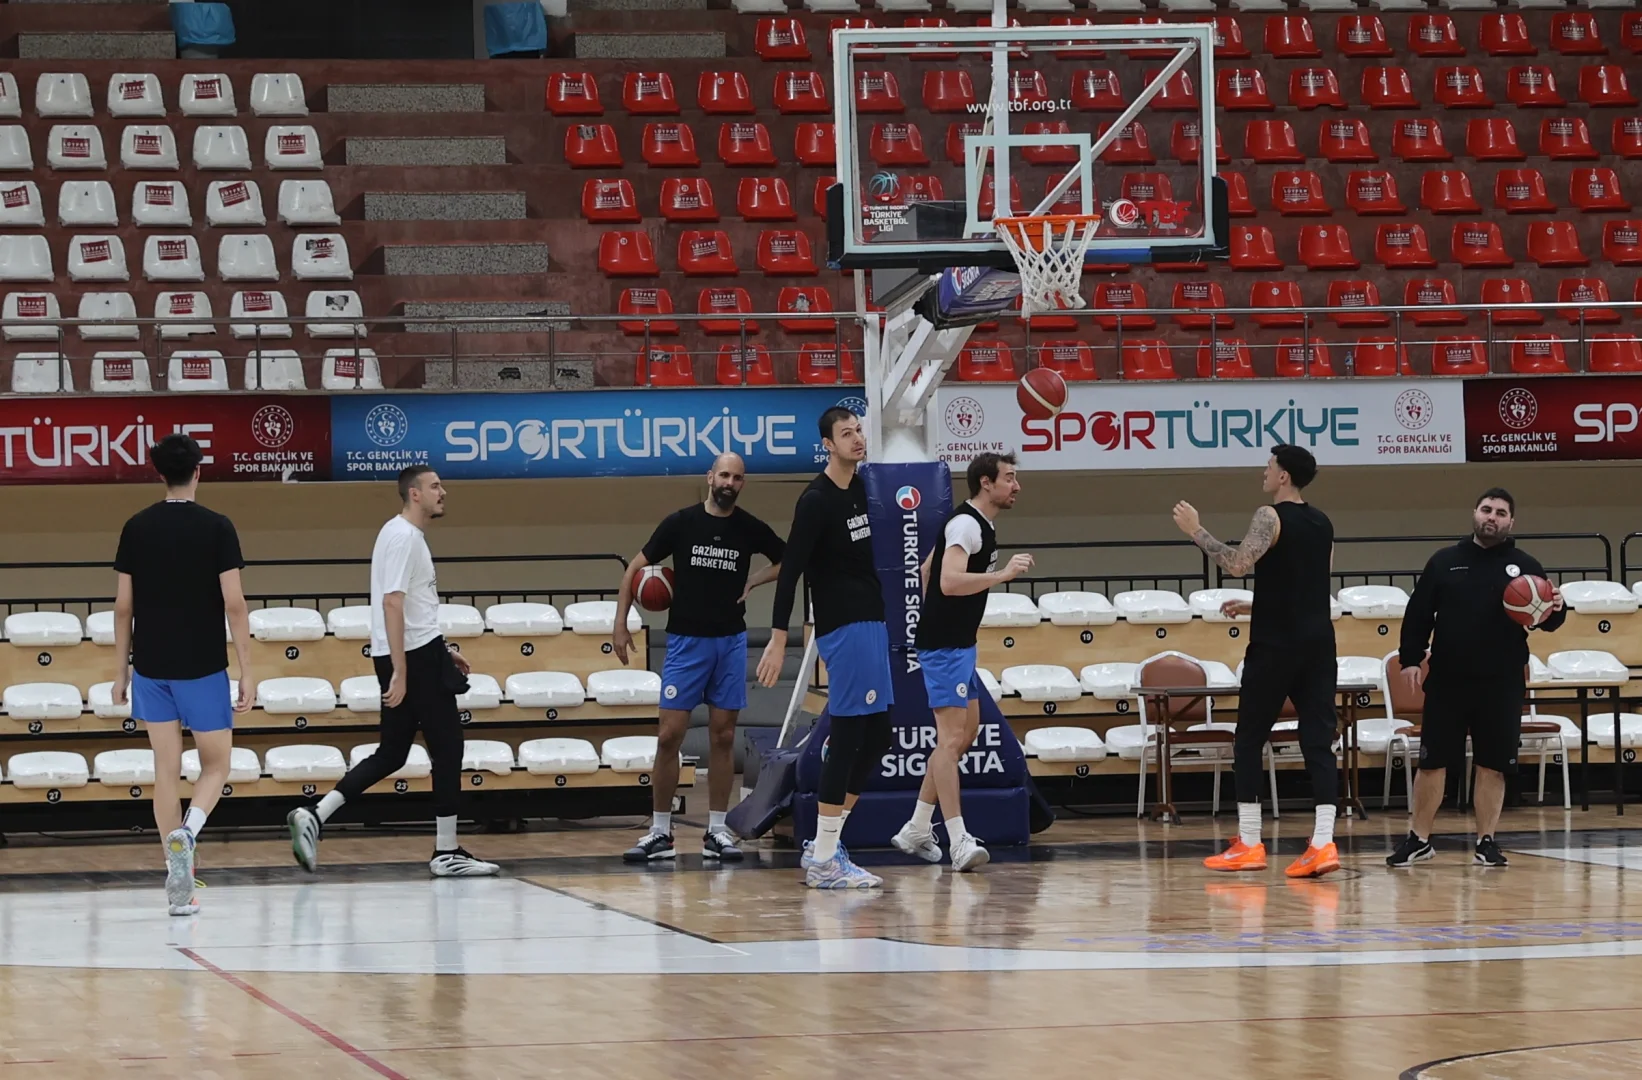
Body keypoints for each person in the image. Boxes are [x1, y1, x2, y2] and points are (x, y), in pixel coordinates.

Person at [286, 466, 499, 878]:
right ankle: (446, 851)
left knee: (393, 751)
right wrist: (403, 669)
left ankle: (316, 813)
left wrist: (441, 650)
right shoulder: (404, 537)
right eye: (436, 486)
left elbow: (413, 608)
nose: (444, 492)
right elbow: (392, 603)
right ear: (414, 494)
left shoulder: (397, 533)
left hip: (417, 652)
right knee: (448, 746)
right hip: (411, 657)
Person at [1174, 444, 1343, 879]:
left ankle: (1250, 842)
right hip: (1319, 644)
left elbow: (1236, 564)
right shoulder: (1324, 521)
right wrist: (1254, 606)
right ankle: (1323, 843)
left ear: (1283, 475)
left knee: (1248, 740)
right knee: (1318, 742)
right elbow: (1308, 587)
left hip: (1276, 646)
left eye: (1269, 466)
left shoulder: (1270, 515)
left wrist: (1197, 531)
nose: (1263, 472)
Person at [613, 452, 785, 863]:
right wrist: (621, 622)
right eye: (724, 474)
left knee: (723, 736)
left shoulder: (748, 527)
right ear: (710, 477)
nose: (729, 482)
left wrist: (754, 580)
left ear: (742, 484)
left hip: (730, 640)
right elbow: (634, 569)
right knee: (669, 734)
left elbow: (789, 559)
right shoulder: (680, 523)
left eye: (737, 477)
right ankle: (659, 832)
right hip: (686, 642)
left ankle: (716, 831)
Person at [111, 433, 254, 916]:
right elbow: (234, 603)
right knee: (216, 765)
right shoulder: (218, 527)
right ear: (198, 471)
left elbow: (122, 607)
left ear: (158, 473)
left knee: (165, 771)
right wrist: (247, 670)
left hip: (151, 666)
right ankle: (188, 836)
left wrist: (120, 673)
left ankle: (179, 881)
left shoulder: (135, 526)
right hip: (202, 666)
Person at [1388, 488, 1565, 869]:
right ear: (1474, 513)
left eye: (1501, 512)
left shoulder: (1527, 566)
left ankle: (1487, 841)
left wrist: (1556, 608)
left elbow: (1547, 621)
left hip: (1501, 681)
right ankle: (1418, 839)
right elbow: (1418, 613)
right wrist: (1411, 659)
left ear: (1511, 522)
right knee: (1432, 762)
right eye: (1487, 509)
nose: (1492, 517)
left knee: (1493, 763)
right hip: (1449, 678)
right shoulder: (1445, 561)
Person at [757, 407, 892, 889]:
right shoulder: (815, 500)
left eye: (859, 431)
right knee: (852, 734)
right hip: (843, 625)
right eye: (846, 434)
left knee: (879, 737)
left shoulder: (862, 487)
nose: (857, 439)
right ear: (828, 445)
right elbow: (791, 569)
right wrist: (778, 637)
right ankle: (825, 858)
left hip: (872, 620)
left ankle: (825, 845)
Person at [891, 452, 1033, 873]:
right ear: (986, 483)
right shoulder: (967, 524)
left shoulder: (976, 524)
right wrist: (1001, 576)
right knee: (950, 741)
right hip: (944, 647)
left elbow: (926, 570)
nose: (1016, 486)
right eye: (1009, 478)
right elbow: (948, 582)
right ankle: (958, 839)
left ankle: (917, 826)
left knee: (965, 734)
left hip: (957, 644)